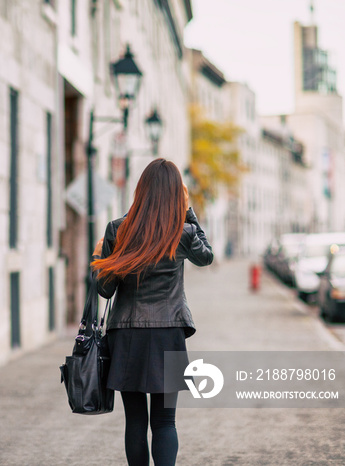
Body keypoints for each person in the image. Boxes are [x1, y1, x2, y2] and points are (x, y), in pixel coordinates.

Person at [90, 158, 213, 466]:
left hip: (126, 335)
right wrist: (188, 211)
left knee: (135, 422)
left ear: (140, 191)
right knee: (164, 422)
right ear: (176, 194)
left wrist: (100, 258)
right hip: (167, 335)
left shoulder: (118, 230)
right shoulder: (181, 232)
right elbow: (207, 256)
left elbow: (104, 290)